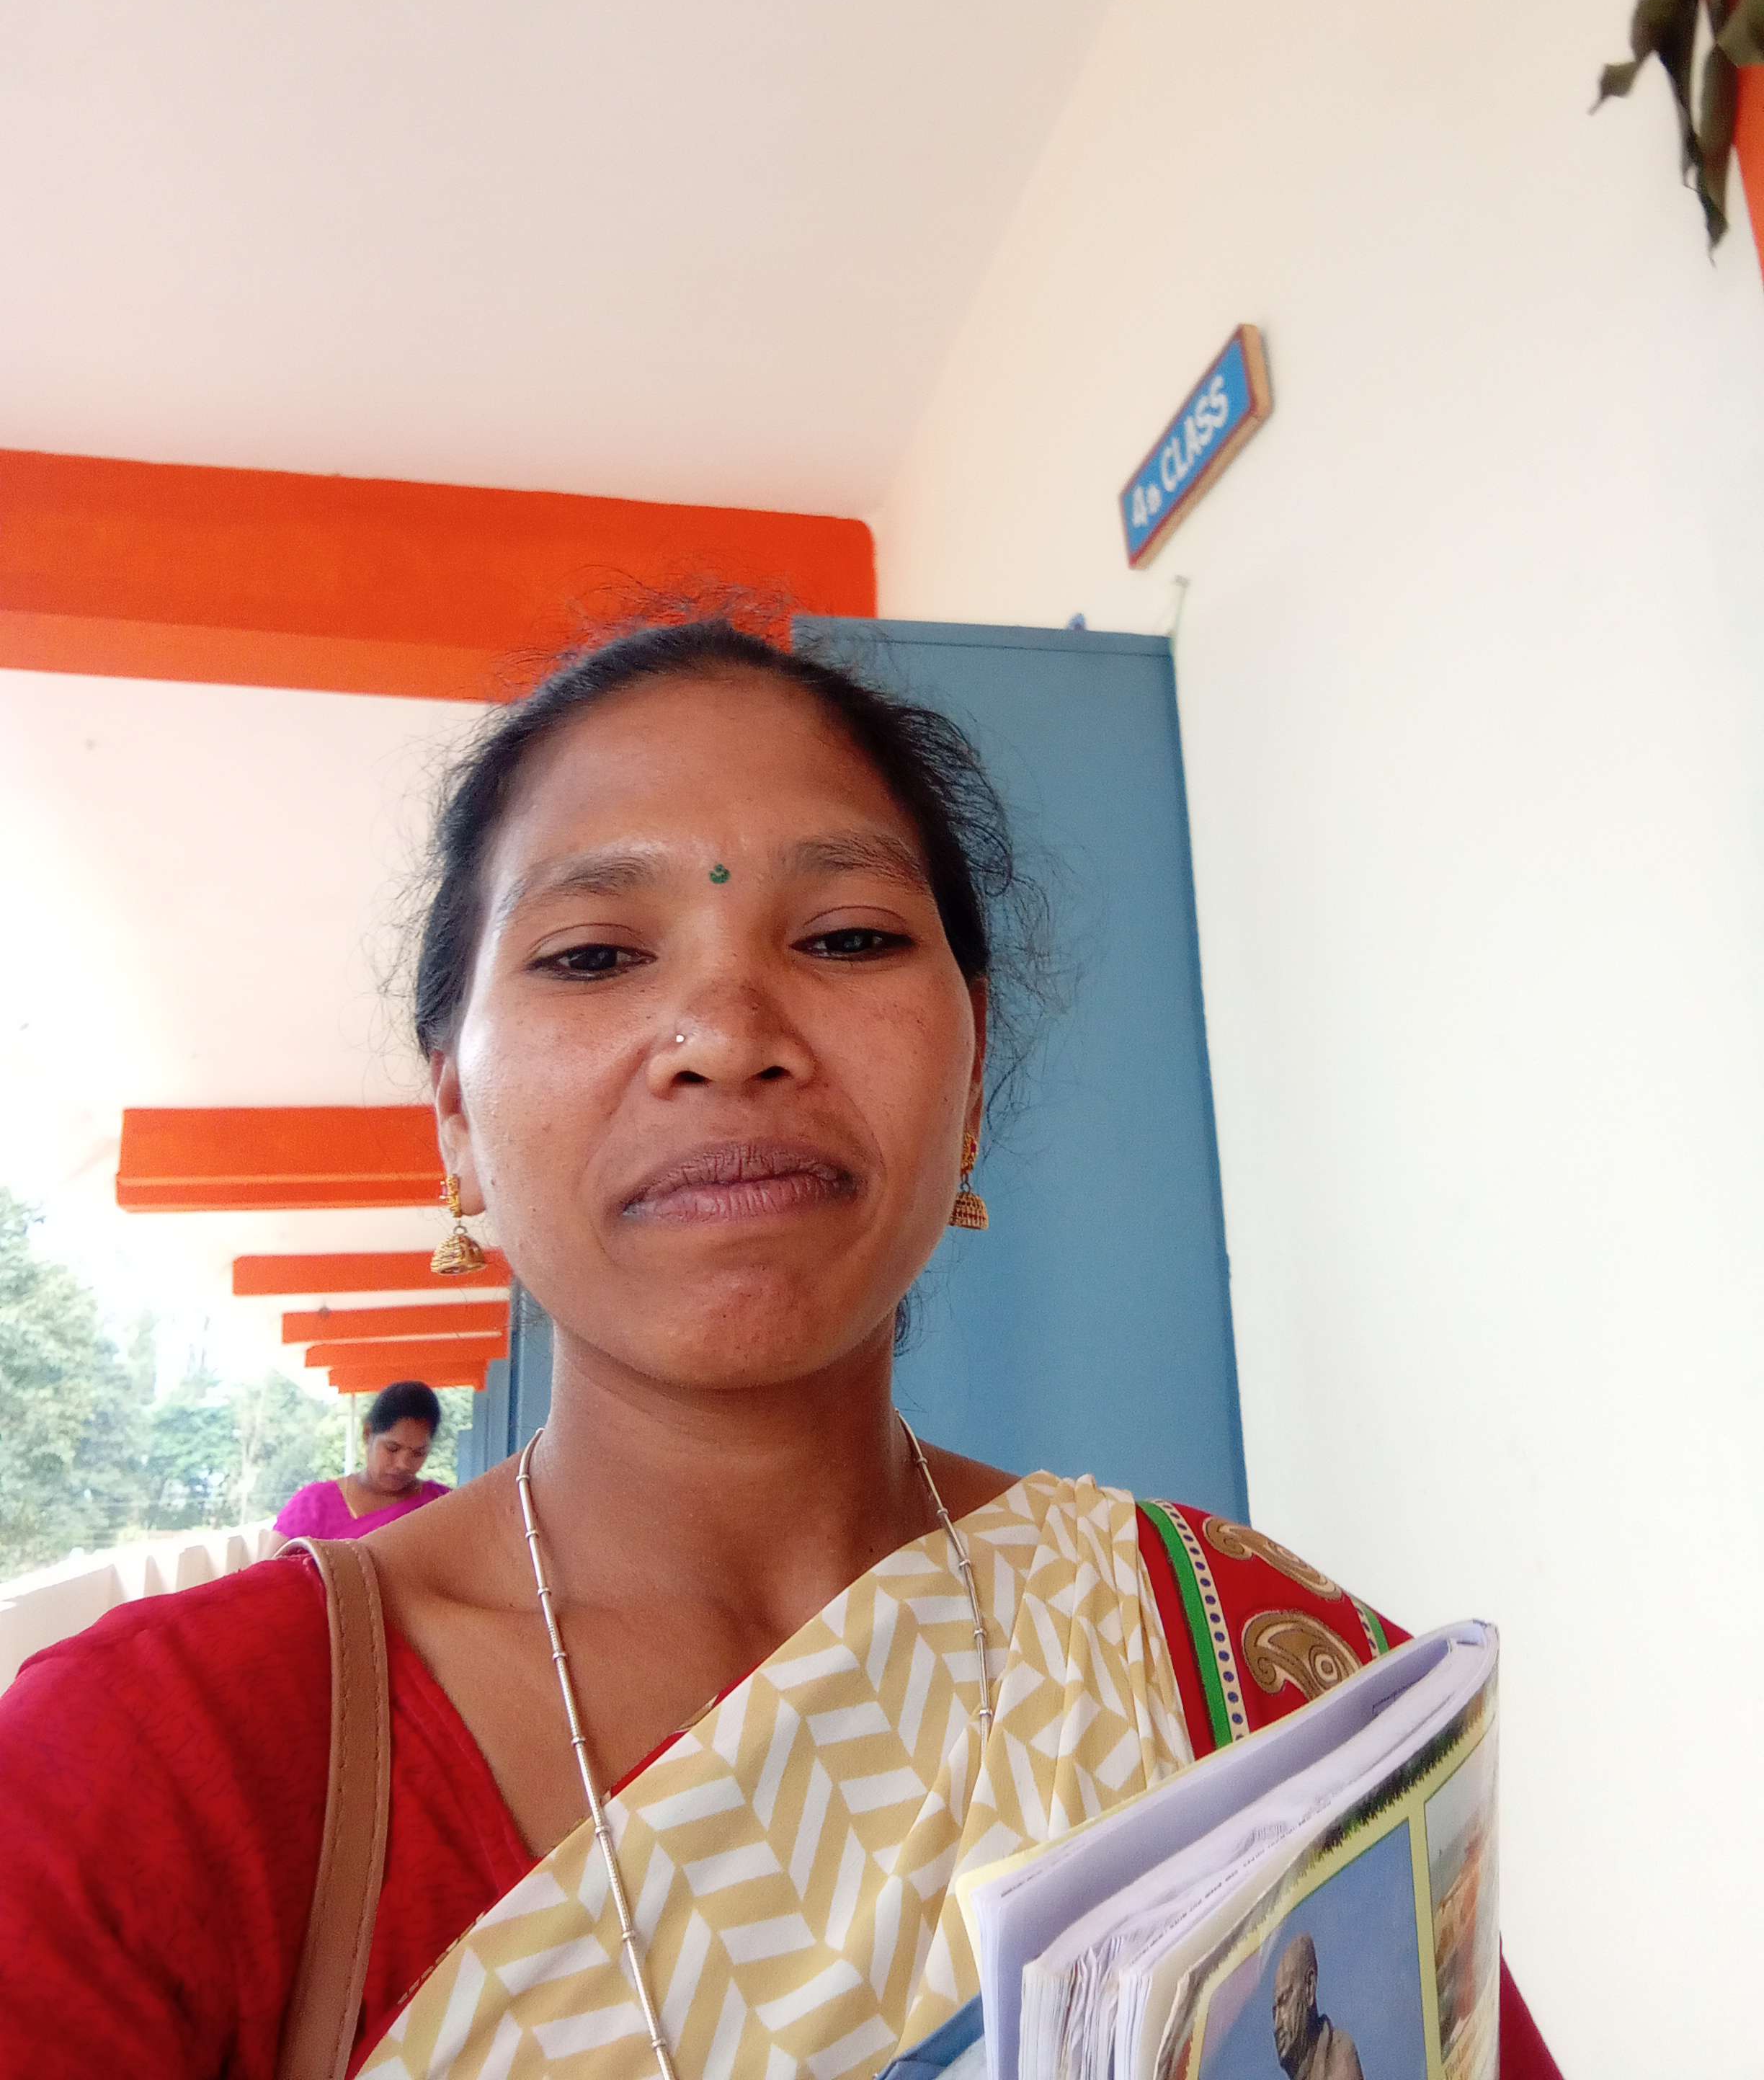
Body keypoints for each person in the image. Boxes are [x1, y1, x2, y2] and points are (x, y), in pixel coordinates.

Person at [0, 617, 1559, 2079]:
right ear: (456, 1118)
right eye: (594, 955)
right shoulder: (152, 1775)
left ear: (971, 1073)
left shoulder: (1250, 1666)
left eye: (849, 934)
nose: (729, 1032)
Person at [267, 1379, 449, 1548]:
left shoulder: (440, 1505)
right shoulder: (313, 1505)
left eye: (418, 1453)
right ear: (368, 1434)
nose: (404, 1464)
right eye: (392, 1448)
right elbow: (267, 1570)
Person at [1273, 1934, 1365, 2080]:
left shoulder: (1337, 2053)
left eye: (1284, 2002)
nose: (1277, 2025)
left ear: (1309, 1988)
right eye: (1274, 2013)